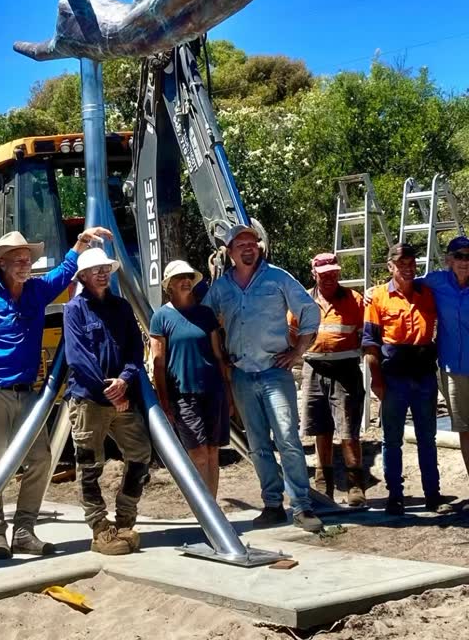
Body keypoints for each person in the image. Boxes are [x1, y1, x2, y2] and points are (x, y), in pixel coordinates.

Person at [0, 226, 112, 559]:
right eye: (18, 260)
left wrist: (80, 242)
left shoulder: (37, 291)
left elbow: (64, 272)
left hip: (29, 394)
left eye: (27, 259)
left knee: (41, 460)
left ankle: (24, 532)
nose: (25, 265)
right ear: (2, 263)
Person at [203, 223, 323, 532]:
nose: (248, 248)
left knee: (288, 439)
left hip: (274, 372)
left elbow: (310, 311)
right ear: (229, 252)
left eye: (252, 243)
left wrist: (297, 351)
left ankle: (302, 507)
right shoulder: (221, 288)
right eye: (241, 244)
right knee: (257, 445)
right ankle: (272, 505)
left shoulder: (278, 278)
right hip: (242, 375)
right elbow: (204, 320)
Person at [63, 247, 152, 556]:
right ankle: (100, 529)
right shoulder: (74, 310)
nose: (102, 274)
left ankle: (125, 520)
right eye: (95, 270)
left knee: (140, 453)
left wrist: (124, 381)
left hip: (122, 396)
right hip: (89, 400)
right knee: (89, 465)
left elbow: (135, 349)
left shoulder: (121, 307)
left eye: (105, 269)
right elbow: (78, 358)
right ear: (83, 277)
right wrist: (110, 393)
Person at [363, 242, 452, 516]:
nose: (407, 268)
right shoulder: (378, 297)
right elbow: (370, 344)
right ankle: (395, 497)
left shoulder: (428, 294)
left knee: (428, 438)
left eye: (411, 263)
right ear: (390, 266)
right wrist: (376, 381)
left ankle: (433, 495)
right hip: (393, 379)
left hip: (424, 377)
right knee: (392, 440)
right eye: (401, 263)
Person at [150, 260, 231, 497]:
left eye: (188, 277)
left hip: (213, 391)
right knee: (198, 454)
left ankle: (212, 509)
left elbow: (218, 356)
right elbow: (158, 364)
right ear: (169, 285)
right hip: (183, 394)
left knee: (213, 451)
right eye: (179, 278)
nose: (185, 281)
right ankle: (202, 508)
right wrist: (164, 401)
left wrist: (229, 394)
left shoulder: (205, 314)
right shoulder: (161, 317)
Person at [296, 252, 366, 506]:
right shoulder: (302, 300)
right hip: (313, 368)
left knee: (348, 431)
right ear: (314, 274)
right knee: (321, 430)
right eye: (324, 274)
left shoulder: (354, 300)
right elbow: (291, 332)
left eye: (334, 273)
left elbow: (366, 335)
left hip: (345, 370)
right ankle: (323, 486)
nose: (330, 278)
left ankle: (355, 486)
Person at [422, 235, 469, 486]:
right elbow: (402, 284)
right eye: (459, 256)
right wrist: (373, 293)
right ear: (449, 259)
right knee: (465, 429)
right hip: (452, 369)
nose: (465, 261)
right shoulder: (436, 281)